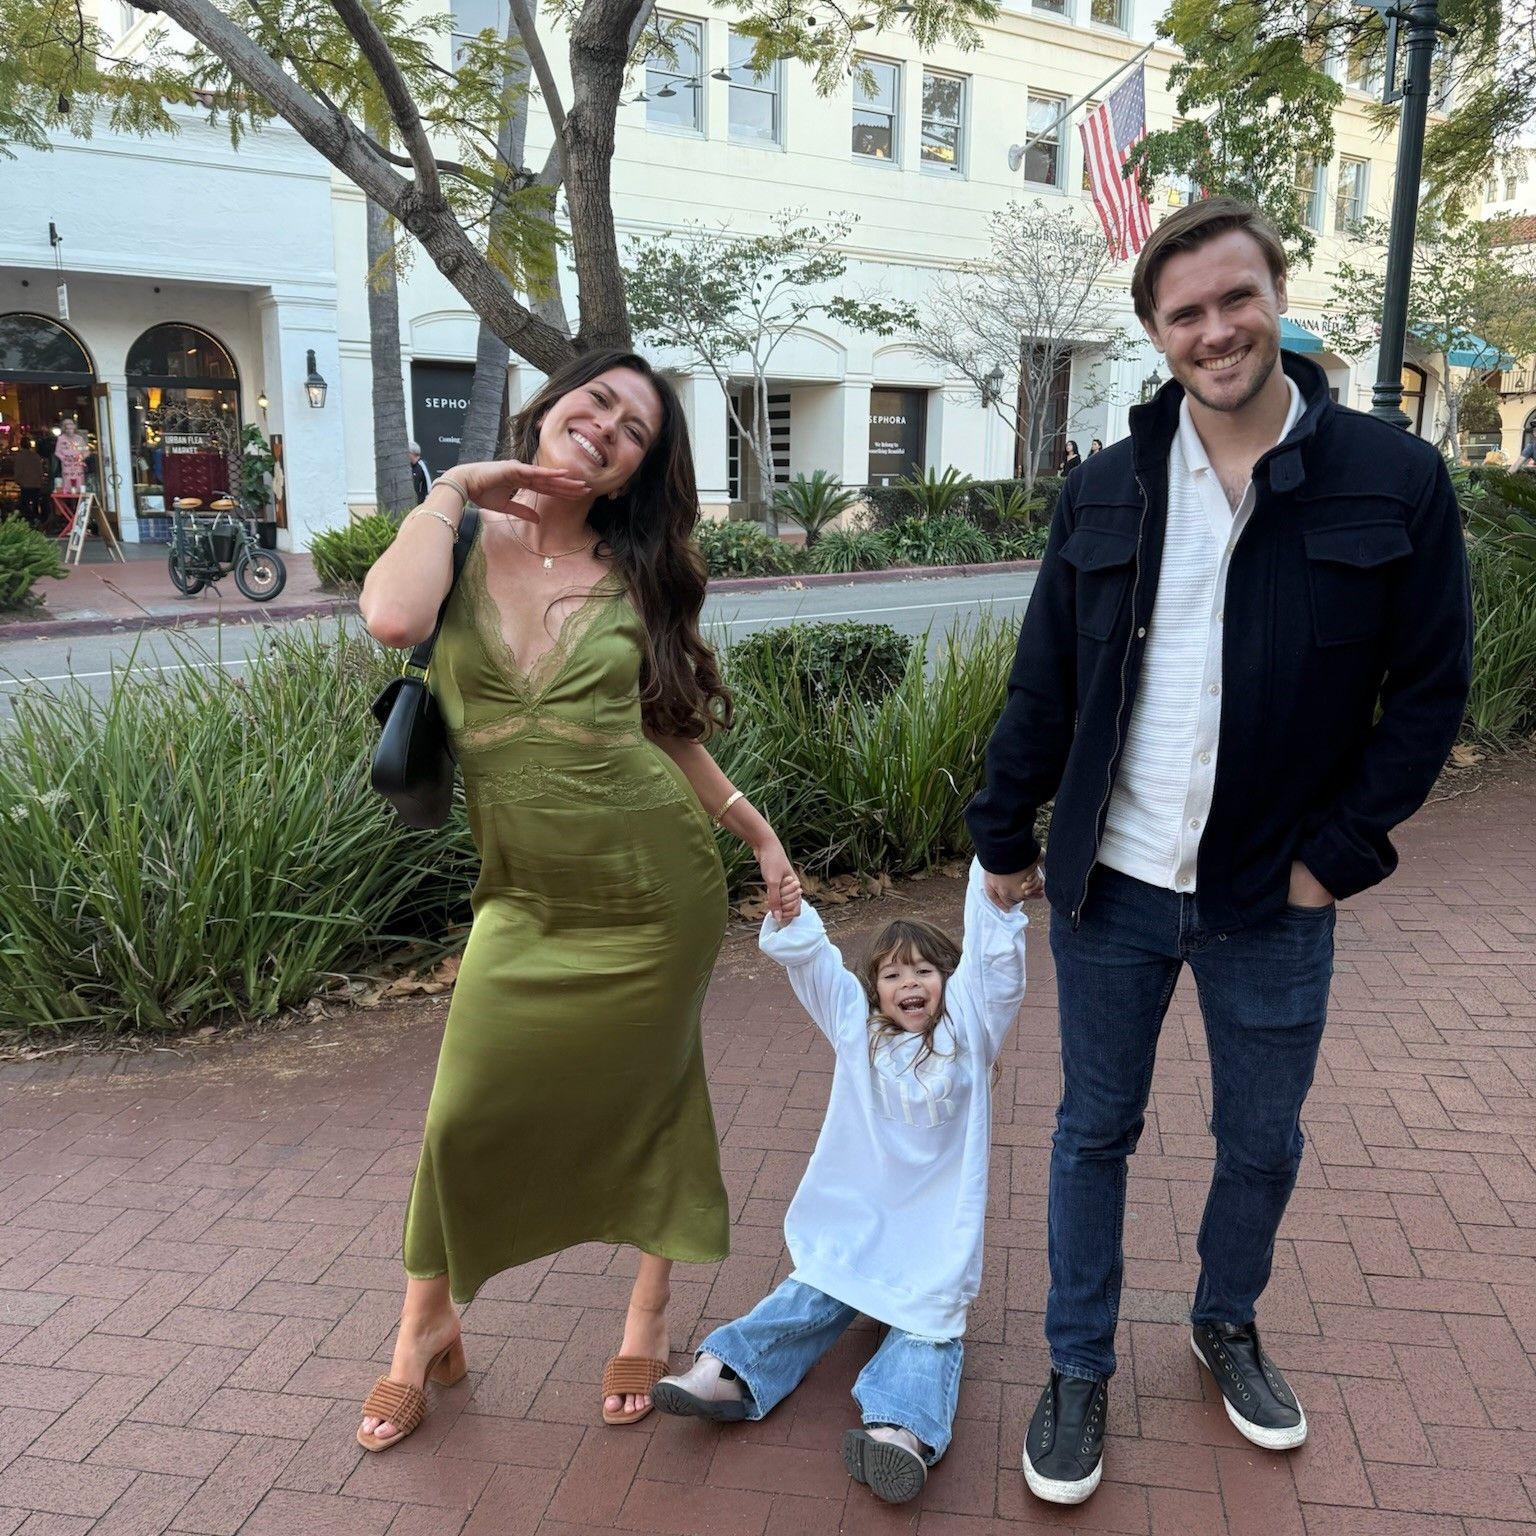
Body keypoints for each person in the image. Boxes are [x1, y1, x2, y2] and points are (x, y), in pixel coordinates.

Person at [966, 196, 1471, 1506]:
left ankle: (1225, 1319)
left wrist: (1335, 858)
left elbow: (1429, 693)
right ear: (1156, 332)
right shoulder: (1107, 487)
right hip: (1112, 888)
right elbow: (1044, 679)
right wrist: (1002, 831)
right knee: (1093, 1132)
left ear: (1277, 297)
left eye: (1236, 298)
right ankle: (1078, 1365)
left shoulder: (1392, 479)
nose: (1216, 330)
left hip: (1274, 898)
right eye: (1184, 312)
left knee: (1261, 1141)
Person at [356, 349, 798, 1449]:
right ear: (553, 406)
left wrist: (756, 835)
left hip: (655, 897)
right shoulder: (456, 535)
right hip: (523, 895)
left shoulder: (638, 570)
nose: (607, 427)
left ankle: (647, 1310)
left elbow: (670, 727)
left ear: (636, 470)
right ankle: (426, 1323)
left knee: (654, 1096)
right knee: (463, 1112)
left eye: (635, 430)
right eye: (596, 401)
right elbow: (393, 621)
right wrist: (457, 485)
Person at [651, 859, 1033, 1505]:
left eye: (924, 970)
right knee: (811, 1291)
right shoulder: (859, 1033)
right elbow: (817, 968)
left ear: (948, 980)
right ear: (874, 992)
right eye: (892, 974)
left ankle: (898, 1431)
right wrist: (792, 913)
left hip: (933, 1238)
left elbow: (994, 970)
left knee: (926, 1327)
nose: (910, 983)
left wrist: (993, 878)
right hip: (857, 1220)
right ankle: (728, 1372)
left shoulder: (971, 1032)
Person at [14, 440, 46, 525]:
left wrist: (18, 480)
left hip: (25, 484)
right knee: (35, 503)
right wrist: (40, 481)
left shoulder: (20, 456)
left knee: (25, 504)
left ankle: (29, 520)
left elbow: (18, 471)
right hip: (36, 484)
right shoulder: (36, 456)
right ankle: (36, 519)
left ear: (21, 445)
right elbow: (40, 470)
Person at [54, 418, 87, 495]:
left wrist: (79, 458)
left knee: (79, 482)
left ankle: (79, 493)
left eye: (71, 426)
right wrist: (65, 459)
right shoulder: (61, 438)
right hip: (67, 465)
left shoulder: (79, 438)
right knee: (67, 482)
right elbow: (57, 452)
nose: (69, 429)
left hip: (77, 465)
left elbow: (85, 451)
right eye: (67, 427)